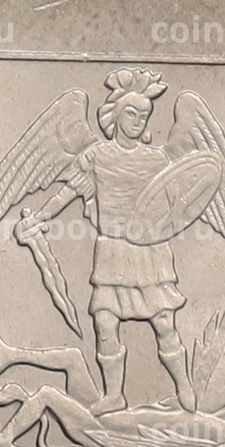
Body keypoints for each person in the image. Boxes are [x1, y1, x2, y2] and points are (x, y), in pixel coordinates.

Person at [16, 68, 195, 414]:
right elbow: (68, 193)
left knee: (163, 321)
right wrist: (39, 217)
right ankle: (114, 395)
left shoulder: (156, 159)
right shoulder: (97, 156)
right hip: (111, 249)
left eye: (144, 116)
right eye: (132, 113)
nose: (138, 122)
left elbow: (178, 203)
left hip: (148, 250)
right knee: (105, 320)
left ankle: (185, 390)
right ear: (115, 115)